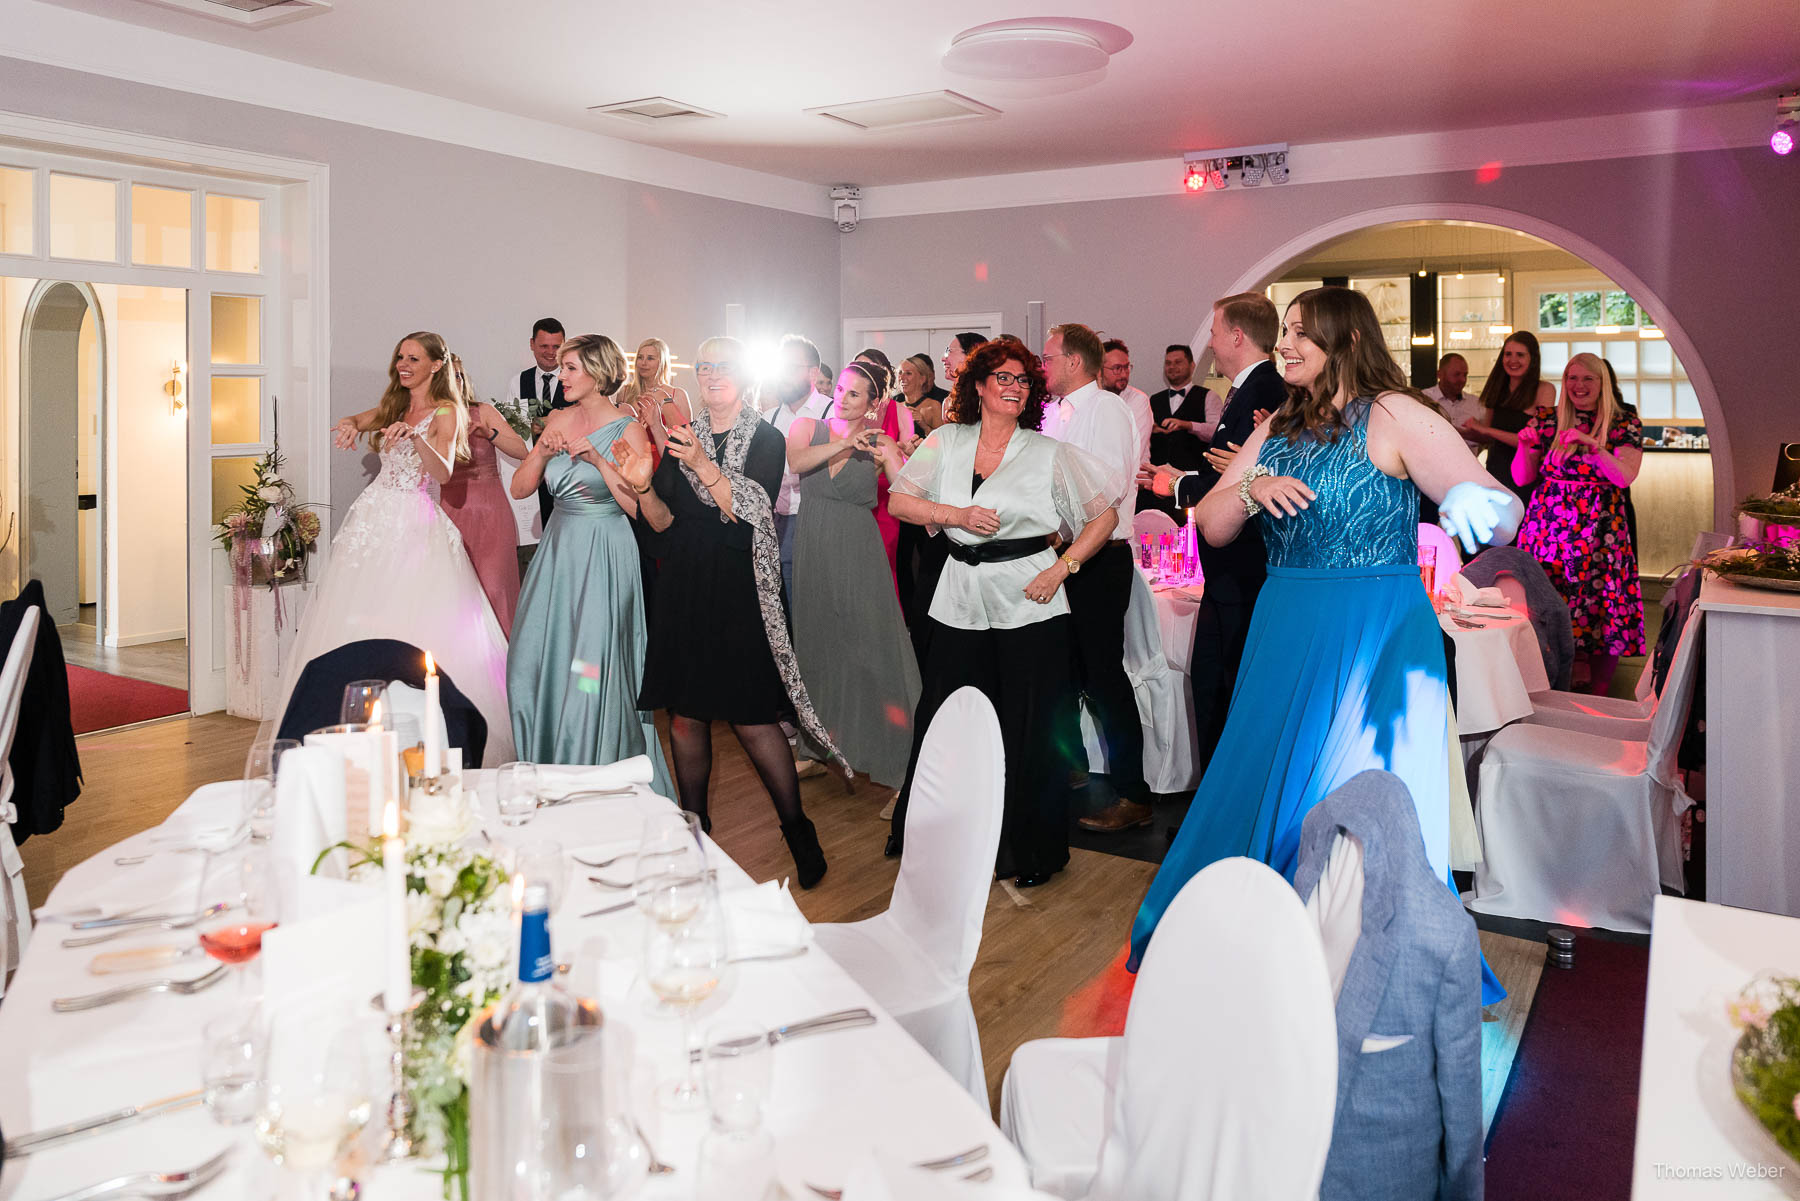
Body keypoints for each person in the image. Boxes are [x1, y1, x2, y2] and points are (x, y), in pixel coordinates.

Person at [1128, 287, 1522, 988]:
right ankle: (1268, 943)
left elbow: (1504, 515)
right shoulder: (1280, 424)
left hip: (1378, 634)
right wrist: (1249, 491)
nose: (1284, 344)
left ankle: (1366, 962)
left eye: (1300, 333)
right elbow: (1215, 523)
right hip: (1286, 625)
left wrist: (1475, 501)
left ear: (1344, 339)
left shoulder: (1398, 413)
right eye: (1283, 332)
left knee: (1361, 797)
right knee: (1265, 783)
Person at [884, 339, 1117, 885]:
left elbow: (1103, 516)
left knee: (1029, 727)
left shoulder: (1048, 452)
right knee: (949, 719)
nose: (1015, 387)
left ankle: (1030, 850)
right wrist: (954, 513)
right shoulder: (946, 440)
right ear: (980, 386)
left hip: (1029, 599)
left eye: (1023, 380)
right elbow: (900, 500)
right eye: (1004, 378)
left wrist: (1062, 570)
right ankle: (939, 839)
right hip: (958, 594)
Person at [622, 337, 838, 887]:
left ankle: (798, 831)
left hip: (740, 584)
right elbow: (664, 521)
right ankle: (696, 840)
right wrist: (644, 488)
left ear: (743, 376)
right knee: (687, 718)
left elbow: (749, 511)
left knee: (752, 718)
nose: (714, 374)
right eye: (706, 366)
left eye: (725, 366)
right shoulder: (675, 436)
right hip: (685, 584)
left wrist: (701, 461)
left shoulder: (765, 438)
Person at [288, 331, 514, 764]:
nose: (403, 365)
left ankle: (419, 723)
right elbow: (360, 418)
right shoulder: (395, 404)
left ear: (435, 365)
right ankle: (352, 718)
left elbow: (444, 473)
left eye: (413, 358)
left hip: (414, 517)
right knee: (361, 610)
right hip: (373, 518)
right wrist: (350, 426)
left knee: (414, 613)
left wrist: (416, 438)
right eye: (399, 358)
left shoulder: (447, 412)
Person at [1131, 293, 1285, 821]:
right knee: (1215, 677)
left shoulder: (1266, 390)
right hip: (1229, 566)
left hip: (1241, 566)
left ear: (1238, 336)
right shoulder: (1247, 392)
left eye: (1216, 332)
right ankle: (1223, 793)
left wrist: (1178, 484)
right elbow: (1228, 473)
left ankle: (1227, 800)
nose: (1210, 342)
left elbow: (1237, 486)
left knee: (1224, 680)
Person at [505, 334, 673, 796]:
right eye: (562, 368)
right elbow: (520, 490)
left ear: (598, 373)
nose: (561, 376)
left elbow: (638, 511)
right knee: (530, 659)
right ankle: (549, 763)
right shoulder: (558, 418)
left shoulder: (628, 428)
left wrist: (599, 461)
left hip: (605, 548)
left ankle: (593, 777)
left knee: (590, 670)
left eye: (570, 368)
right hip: (558, 549)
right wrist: (540, 451)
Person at [786, 362, 922, 791]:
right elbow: (796, 461)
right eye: (841, 389)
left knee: (873, 650)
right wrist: (845, 447)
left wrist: (895, 456)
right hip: (813, 546)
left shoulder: (880, 440)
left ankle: (901, 764)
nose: (842, 399)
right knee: (818, 647)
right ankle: (818, 746)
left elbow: (903, 492)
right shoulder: (807, 426)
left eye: (855, 394)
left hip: (858, 550)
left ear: (874, 403)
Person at [1037, 323, 1151, 831]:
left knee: (1104, 677)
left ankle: (1133, 793)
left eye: (1048, 357)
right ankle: (1073, 767)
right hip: (1065, 552)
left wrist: (1059, 545)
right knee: (1062, 670)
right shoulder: (1057, 413)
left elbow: (1104, 492)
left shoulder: (1104, 409)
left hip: (1100, 556)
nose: (1043, 365)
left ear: (1074, 362)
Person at [1512, 352, 1646, 694]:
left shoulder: (1623, 421)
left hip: (1600, 531)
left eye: (1588, 379)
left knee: (1602, 604)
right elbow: (1522, 476)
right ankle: (1546, 681)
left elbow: (1624, 476)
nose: (1579, 386)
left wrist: (1593, 447)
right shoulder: (1548, 419)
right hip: (1548, 528)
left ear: (1602, 383)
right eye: (1572, 378)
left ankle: (1601, 693)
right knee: (1546, 603)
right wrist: (1525, 448)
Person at [440, 354, 528, 636]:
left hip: (491, 512)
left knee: (495, 587)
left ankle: (502, 668)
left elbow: (521, 450)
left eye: (459, 375)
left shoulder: (483, 410)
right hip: (451, 511)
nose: (456, 381)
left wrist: (489, 433)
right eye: (448, 376)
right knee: (454, 590)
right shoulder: (433, 417)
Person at [760, 334, 833, 596]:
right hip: (777, 520)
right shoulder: (769, 418)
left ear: (813, 373)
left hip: (818, 521)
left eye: (792, 368)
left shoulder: (833, 414)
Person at [1460, 331, 1556, 506]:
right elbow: (1487, 437)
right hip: (1496, 469)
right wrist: (1456, 430)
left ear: (1532, 359)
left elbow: (1535, 442)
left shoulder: (1545, 389)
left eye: (1520, 355)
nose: (1513, 360)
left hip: (1527, 474)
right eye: (1508, 354)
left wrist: (1485, 429)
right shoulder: (1497, 388)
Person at [1140, 344, 1219, 520]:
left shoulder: (1208, 396)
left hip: (1190, 484)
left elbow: (1215, 431)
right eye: (1168, 363)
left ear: (1192, 366)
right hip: (1158, 486)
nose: (1172, 367)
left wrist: (1188, 425)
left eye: (1178, 362)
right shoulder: (1154, 399)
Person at [852, 350, 911, 586]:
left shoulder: (900, 412)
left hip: (884, 500)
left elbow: (909, 462)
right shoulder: (848, 412)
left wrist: (907, 453)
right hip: (852, 497)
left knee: (882, 564)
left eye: (869, 369)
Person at [515, 317, 572, 532]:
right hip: (532, 471)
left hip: (568, 472)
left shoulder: (576, 381)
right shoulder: (518, 381)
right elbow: (515, 431)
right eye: (544, 346)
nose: (550, 352)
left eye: (556, 347)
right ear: (532, 344)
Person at [616, 337, 691, 455]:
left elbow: (687, 439)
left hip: (666, 459)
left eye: (650, 358)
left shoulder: (677, 394)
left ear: (662, 362)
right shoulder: (625, 392)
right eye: (640, 357)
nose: (643, 363)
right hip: (632, 458)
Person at [1100, 339, 1154, 485]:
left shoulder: (1138, 400)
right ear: (1099, 369)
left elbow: (1132, 451)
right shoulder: (1094, 400)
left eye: (1126, 367)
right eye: (1117, 368)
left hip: (1133, 484)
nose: (1123, 374)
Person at [1422, 352, 1486, 452]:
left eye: (1465, 375)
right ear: (1440, 374)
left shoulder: (1476, 403)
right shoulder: (1424, 399)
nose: (1462, 379)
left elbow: (1487, 439)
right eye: (1456, 374)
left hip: (1467, 465)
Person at [940, 331, 986, 420]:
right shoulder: (949, 402)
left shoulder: (987, 397)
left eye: (949, 351)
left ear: (970, 355)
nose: (943, 359)